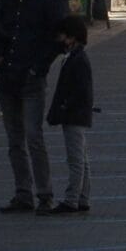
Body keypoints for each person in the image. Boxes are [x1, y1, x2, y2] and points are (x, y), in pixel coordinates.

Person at [0, 0, 66, 215]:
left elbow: (59, 37)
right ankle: (23, 193)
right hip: (7, 77)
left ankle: (44, 194)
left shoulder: (47, 1)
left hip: (30, 79)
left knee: (34, 137)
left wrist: (38, 68)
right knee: (14, 140)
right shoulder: (7, 0)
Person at [42, 15, 94, 215]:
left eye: (63, 36)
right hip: (76, 114)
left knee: (75, 159)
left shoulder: (77, 60)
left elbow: (79, 91)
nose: (61, 40)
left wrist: (63, 108)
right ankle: (83, 197)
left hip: (74, 115)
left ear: (72, 36)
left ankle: (72, 199)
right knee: (81, 157)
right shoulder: (75, 57)